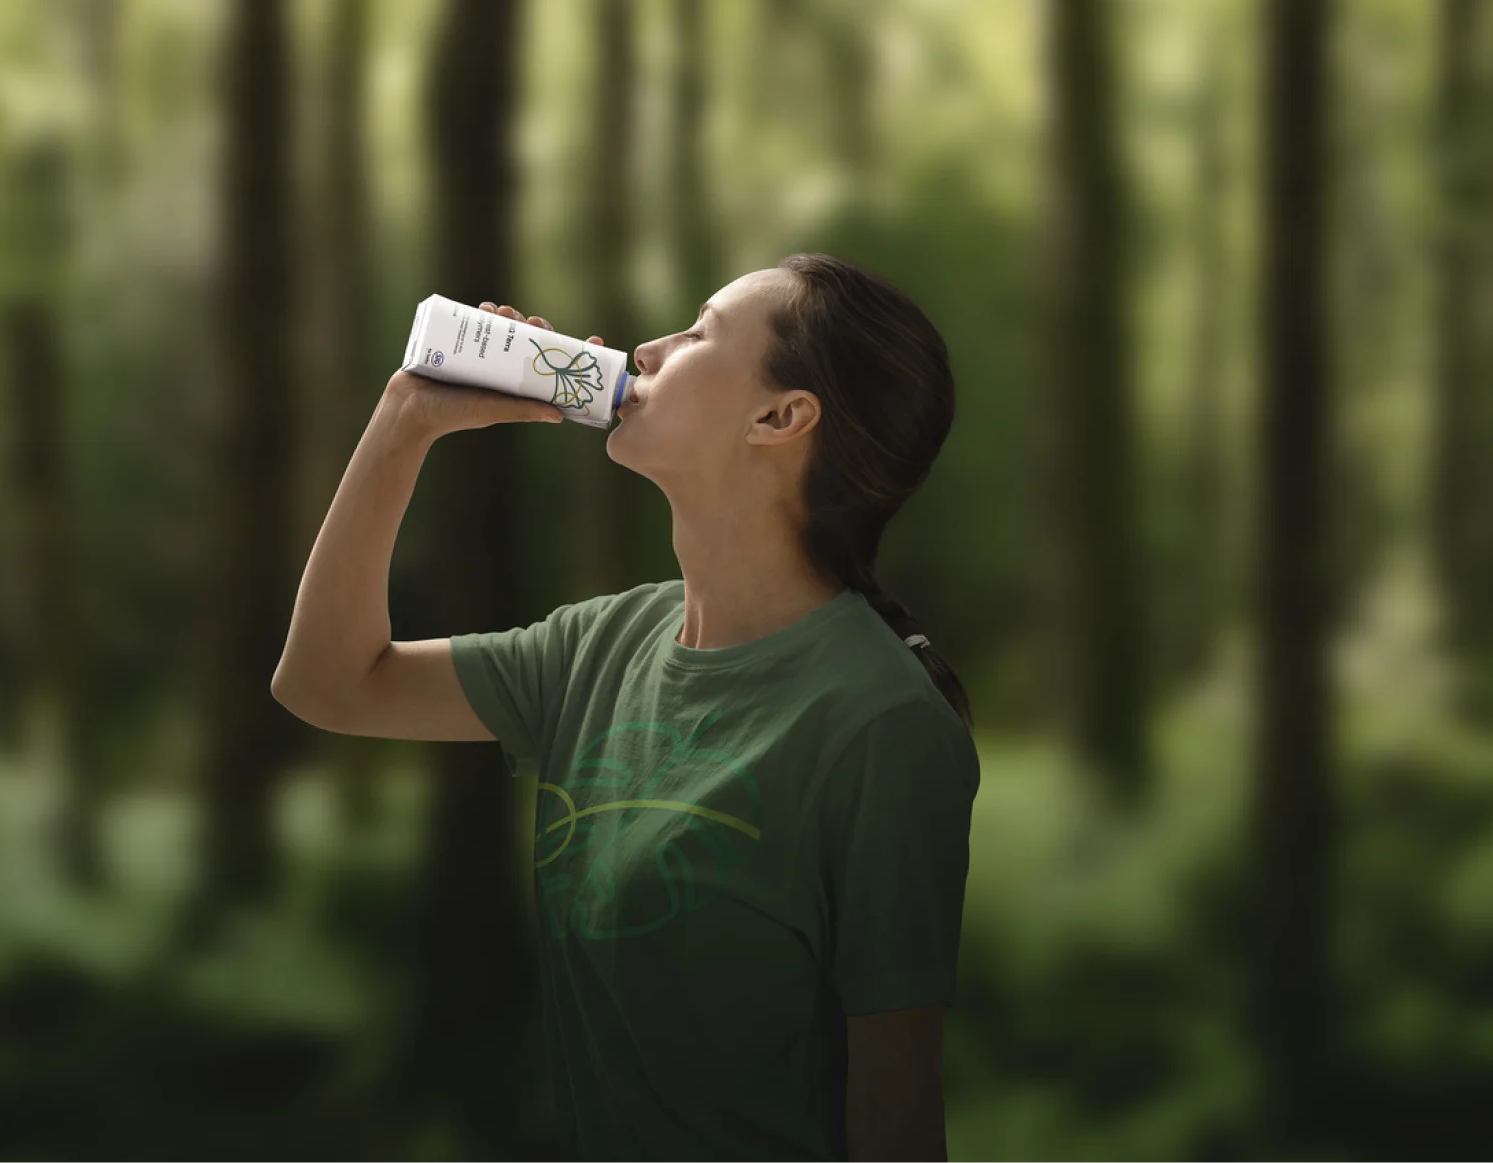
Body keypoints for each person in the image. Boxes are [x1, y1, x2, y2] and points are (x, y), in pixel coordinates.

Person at [272, 253, 977, 1162]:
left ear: (780, 415)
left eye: (698, 330)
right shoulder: (599, 648)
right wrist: (404, 421)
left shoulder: (882, 725)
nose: (648, 347)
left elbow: (897, 1118)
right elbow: (327, 681)